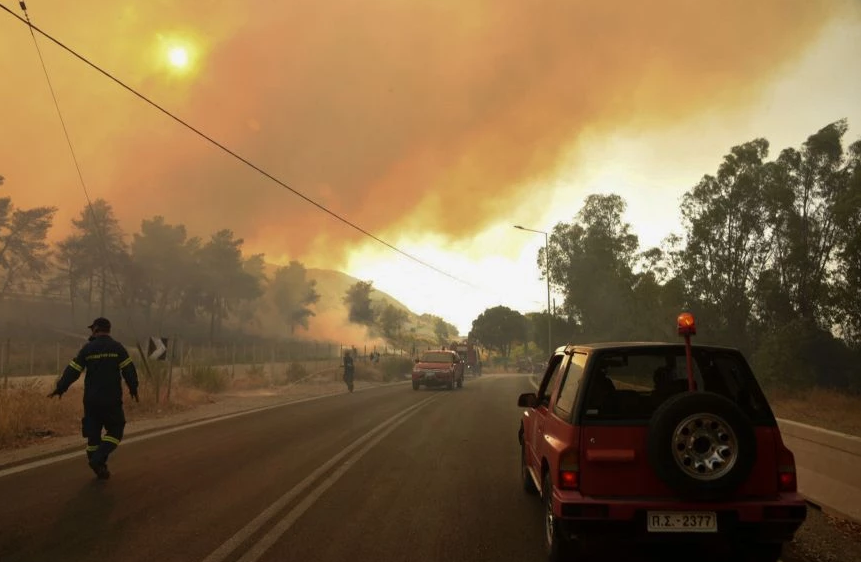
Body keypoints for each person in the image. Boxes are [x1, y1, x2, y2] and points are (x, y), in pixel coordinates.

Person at [47, 317, 139, 480]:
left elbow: (73, 370)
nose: (91, 332)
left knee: (93, 436)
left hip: (91, 401)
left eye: (92, 329)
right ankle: (98, 460)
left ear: (96, 329)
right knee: (116, 429)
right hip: (111, 400)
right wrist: (133, 388)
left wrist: (61, 388)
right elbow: (128, 370)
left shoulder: (87, 349)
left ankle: (99, 465)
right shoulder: (117, 348)